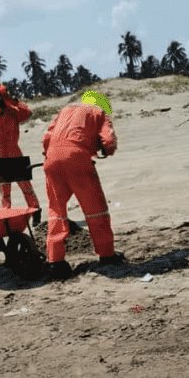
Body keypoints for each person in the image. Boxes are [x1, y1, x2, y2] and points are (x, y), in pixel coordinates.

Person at [41, 90, 123, 280]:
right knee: (96, 209)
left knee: (56, 211)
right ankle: (106, 254)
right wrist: (107, 150)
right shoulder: (99, 113)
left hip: (52, 160)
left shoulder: (65, 110)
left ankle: (55, 262)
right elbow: (108, 141)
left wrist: (50, 156)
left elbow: (46, 138)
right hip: (77, 159)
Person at [0, 77, 41, 218]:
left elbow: (28, 113)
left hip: (15, 153)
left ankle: (36, 213)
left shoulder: (12, 110)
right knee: (5, 192)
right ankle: (7, 220)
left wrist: (11, 100)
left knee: (26, 187)